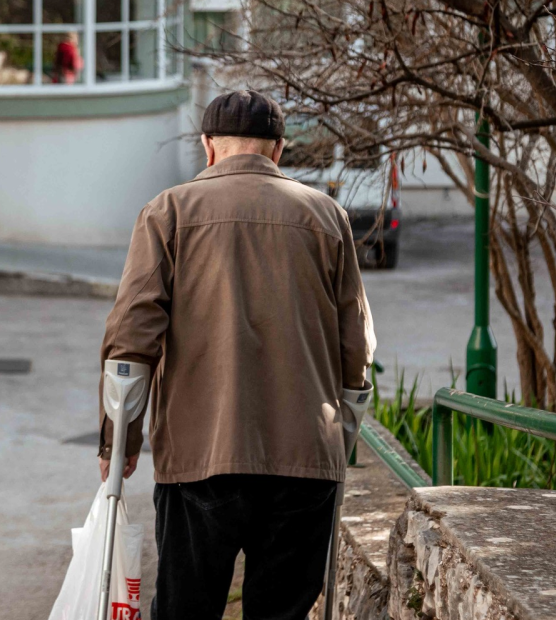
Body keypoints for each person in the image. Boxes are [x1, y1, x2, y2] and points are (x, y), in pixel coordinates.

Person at [98, 90, 375, 620]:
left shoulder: (168, 212)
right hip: (304, 459)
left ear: (208, 146)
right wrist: (339, 443)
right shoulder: (327, 216)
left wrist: (119, 442)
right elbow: (355, 346)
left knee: (186, 612)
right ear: (278, 150)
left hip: (201, 456)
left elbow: (131, 339)